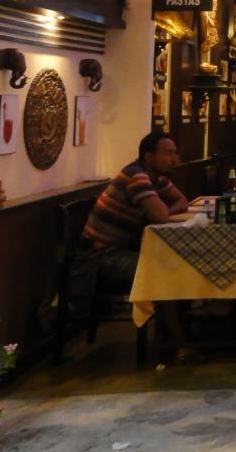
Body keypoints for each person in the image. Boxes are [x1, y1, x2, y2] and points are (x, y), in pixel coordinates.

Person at [78, 132, 192, 357]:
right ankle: (178, 343)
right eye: (168, 154)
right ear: (149, 156)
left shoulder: (155, 177)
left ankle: (172, 335)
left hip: (123, 249)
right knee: (163, 271)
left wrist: (164, 210)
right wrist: (161, 212)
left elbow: (182, 202)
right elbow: (159, 216)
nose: (174, 159)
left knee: (179, 265)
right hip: (101, 257)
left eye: (174, 153)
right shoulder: (136, 176)